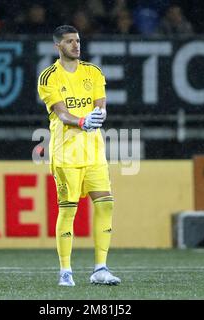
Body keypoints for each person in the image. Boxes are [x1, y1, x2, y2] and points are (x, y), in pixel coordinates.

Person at [37, 25, 120, 286]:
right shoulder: (49, 76)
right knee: (69, 210)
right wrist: (82, 121)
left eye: (78, 41)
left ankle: (100, 269)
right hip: (66, 156)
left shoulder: (93, 72)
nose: (76, 45)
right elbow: (62, 113)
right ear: (57, 46)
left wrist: (98, 116)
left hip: (93, 153)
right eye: (70, 41)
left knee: (106, 204)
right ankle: (65, 272)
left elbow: (101, 106)